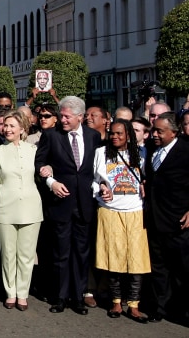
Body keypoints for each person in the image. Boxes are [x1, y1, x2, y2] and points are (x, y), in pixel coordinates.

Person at [35, 96, 100, 315]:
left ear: (80, 117)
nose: (62, 120)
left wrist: (103, 186)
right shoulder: (51, 136)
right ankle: (60, 297)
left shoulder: (94, 137)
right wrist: (51, 182)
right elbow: (40, 163)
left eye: (66, 116)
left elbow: (98, 169)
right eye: (61, 115)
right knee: (61, 253)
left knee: (81, 253)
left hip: (84, 204)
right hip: (60, 203)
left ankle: (78, 297)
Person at [0, 111, 42, 311]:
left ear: (22, 129)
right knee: (8, 254)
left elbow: (41, 174)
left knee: (26, 255)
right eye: (5, 126)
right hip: (5, 208)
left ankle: (23, 293)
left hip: (31, 207)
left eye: (12, 126)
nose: (7, 129)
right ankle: (10, 292)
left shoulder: (33, 149)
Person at [91, 119, 149, 322]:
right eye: (112, 133)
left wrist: (145, 182)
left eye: (119, 134)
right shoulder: (101, 153)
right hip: (110, 212)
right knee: (113, 258)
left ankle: (133, 305)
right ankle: (116, 302)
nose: (115, 137)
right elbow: (95, 181)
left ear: (128, 136)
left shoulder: (141, 153)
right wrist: (102, 188)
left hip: (135, 212)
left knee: (137, 261)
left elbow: (148, 177)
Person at [144, 112, 189, 323]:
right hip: (154, 220)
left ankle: (183, 310)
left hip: (179, 221)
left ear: (174, 132)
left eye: (160, 131)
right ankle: (159, 308)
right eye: (154, 130)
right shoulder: (153, 151)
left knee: (183, 269)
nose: (155, 135)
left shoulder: (185, 151)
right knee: (158, 268)